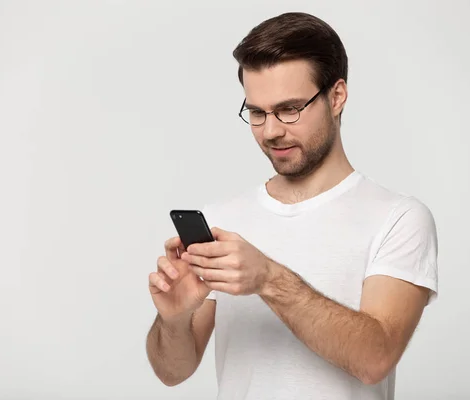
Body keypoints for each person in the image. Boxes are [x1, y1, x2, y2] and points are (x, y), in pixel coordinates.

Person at [145, 11, 438, 400]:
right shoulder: (221, 220)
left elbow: (375, 358)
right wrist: (174, 318)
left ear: (336, 97)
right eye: (256, 112)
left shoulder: (398, 218)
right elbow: (172, 372)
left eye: (289, 109)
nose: (270, 131)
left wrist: (268, 278)